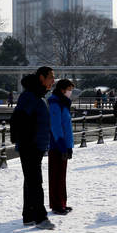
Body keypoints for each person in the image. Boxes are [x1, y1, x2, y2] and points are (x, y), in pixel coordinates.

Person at [12, 66, 56, 229]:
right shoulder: (30, 96)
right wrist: (28, 141)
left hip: (36, 144)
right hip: (30, 145)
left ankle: (28, 215)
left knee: (30, 181)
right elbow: (21, 120)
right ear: (41, 78)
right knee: (35, 181)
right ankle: (40, 218)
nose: (53, 80)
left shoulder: (39, 96)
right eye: (51, 77)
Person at [48, 78, 75, 215]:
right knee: (56, 175)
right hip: (57, 145)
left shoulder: (63, 103)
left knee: (61, 175)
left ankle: (62, 202)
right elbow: (56, 125)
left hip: (64, 144)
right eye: (70, 89)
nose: (71, 92)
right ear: (63, 89)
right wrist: (62, 145)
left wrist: (69, 146)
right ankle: (56, 204)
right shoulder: (55, 102)